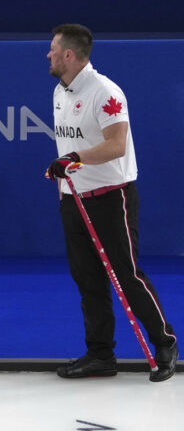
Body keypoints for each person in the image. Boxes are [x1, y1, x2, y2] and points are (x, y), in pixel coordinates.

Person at [45, 23, 178, 382]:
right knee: (87, 279)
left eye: (53, 50)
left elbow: (116, 144)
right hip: (74, 199)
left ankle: (164, 343)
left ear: (69, 55)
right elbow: (66, 147)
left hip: (110, 197)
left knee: (126, 274)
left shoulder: (104, 91)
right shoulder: (60, 91)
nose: (49, 55)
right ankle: (100, 354)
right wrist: (64, 183)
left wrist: (73, 159)